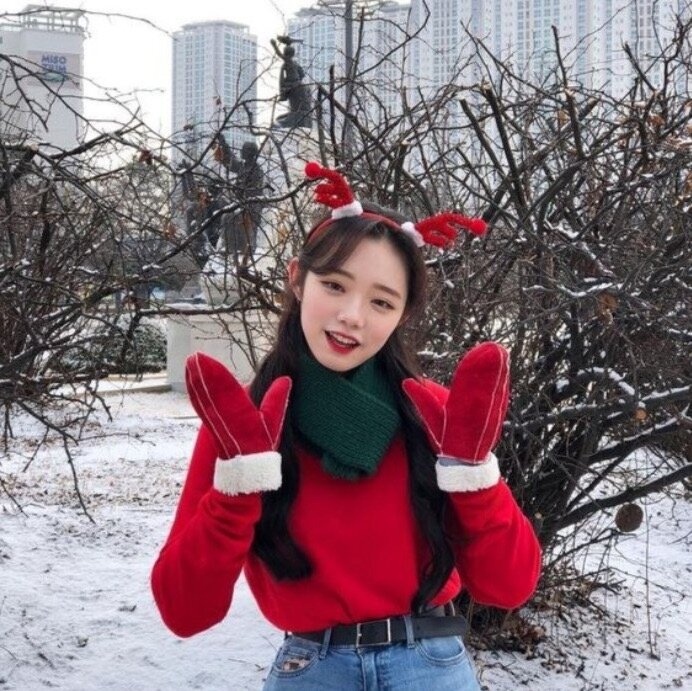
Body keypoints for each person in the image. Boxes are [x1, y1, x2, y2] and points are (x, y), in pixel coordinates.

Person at [151, 161, 542, 690]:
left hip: (430, 667)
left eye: (381, 301)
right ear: (297, 279)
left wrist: (473, 477)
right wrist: (238, 491)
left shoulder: (437, 417)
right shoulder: (245, 426)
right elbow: (184, 610)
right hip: (312, 670)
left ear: (403, 314)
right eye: (334, 285)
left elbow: (510, 585)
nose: (353, 315)